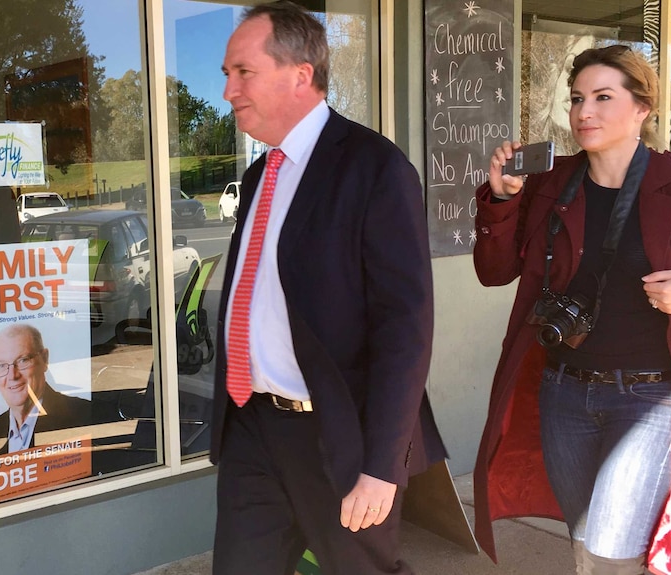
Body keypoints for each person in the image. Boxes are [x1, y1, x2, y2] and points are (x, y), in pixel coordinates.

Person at [471, 45, 671, 575]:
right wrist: (501, 200)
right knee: (586, 539)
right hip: (564, 390)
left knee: (609, 551)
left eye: (602, 97)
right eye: (576, 99)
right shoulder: (551, 181)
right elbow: (494, 270)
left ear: (642, 107)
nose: (583, 112)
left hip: (651, 396)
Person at [210, 2, 445, 574]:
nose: (228, 91)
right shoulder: (260, 173)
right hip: (253, 427)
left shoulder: (374, 167)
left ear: (300, 74)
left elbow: (404, 328)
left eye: (243, 72)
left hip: (339, 435)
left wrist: (383, 465)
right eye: (226, 75)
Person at [0, 324, 92, 463]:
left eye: (23, 360)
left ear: (44, 359)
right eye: (1, 366)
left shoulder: (86, 417)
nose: (12, 375)